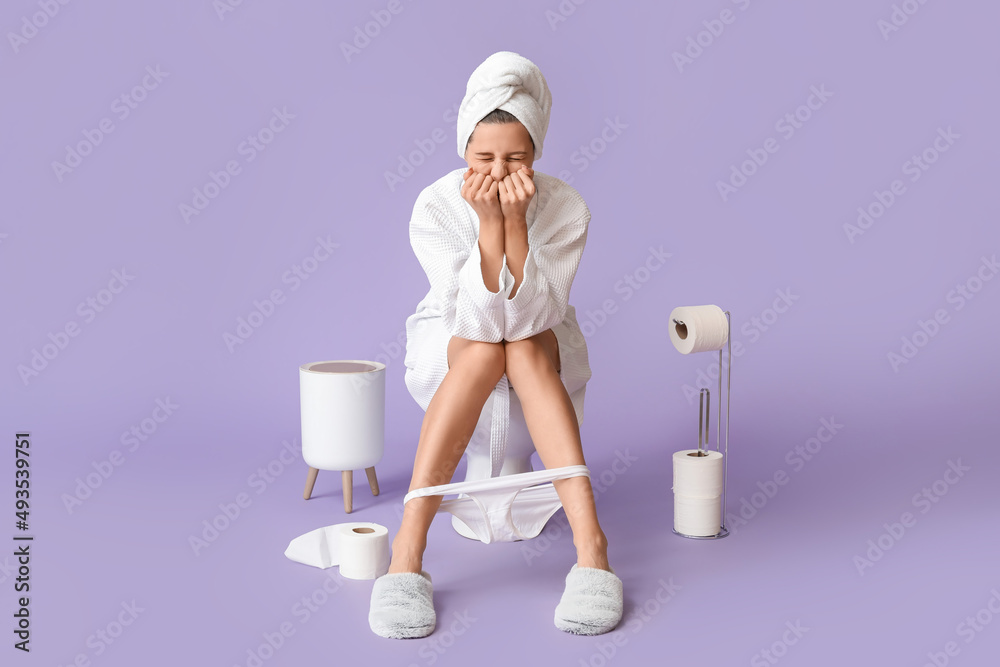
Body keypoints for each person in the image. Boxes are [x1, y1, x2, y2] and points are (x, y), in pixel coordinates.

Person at [369, 51, 623, 640]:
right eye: (484, 157)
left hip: (541, 334)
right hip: (456, 332)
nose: (500, 169)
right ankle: (408, 548)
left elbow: (531, 317)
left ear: (536, 153)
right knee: (488, 350)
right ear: (464, 150)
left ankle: (593, 549)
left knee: (526, 347)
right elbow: (480, 327)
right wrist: (489, 227)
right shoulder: (435, 205)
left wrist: (515, 227)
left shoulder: (564, 207)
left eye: (517, 156)